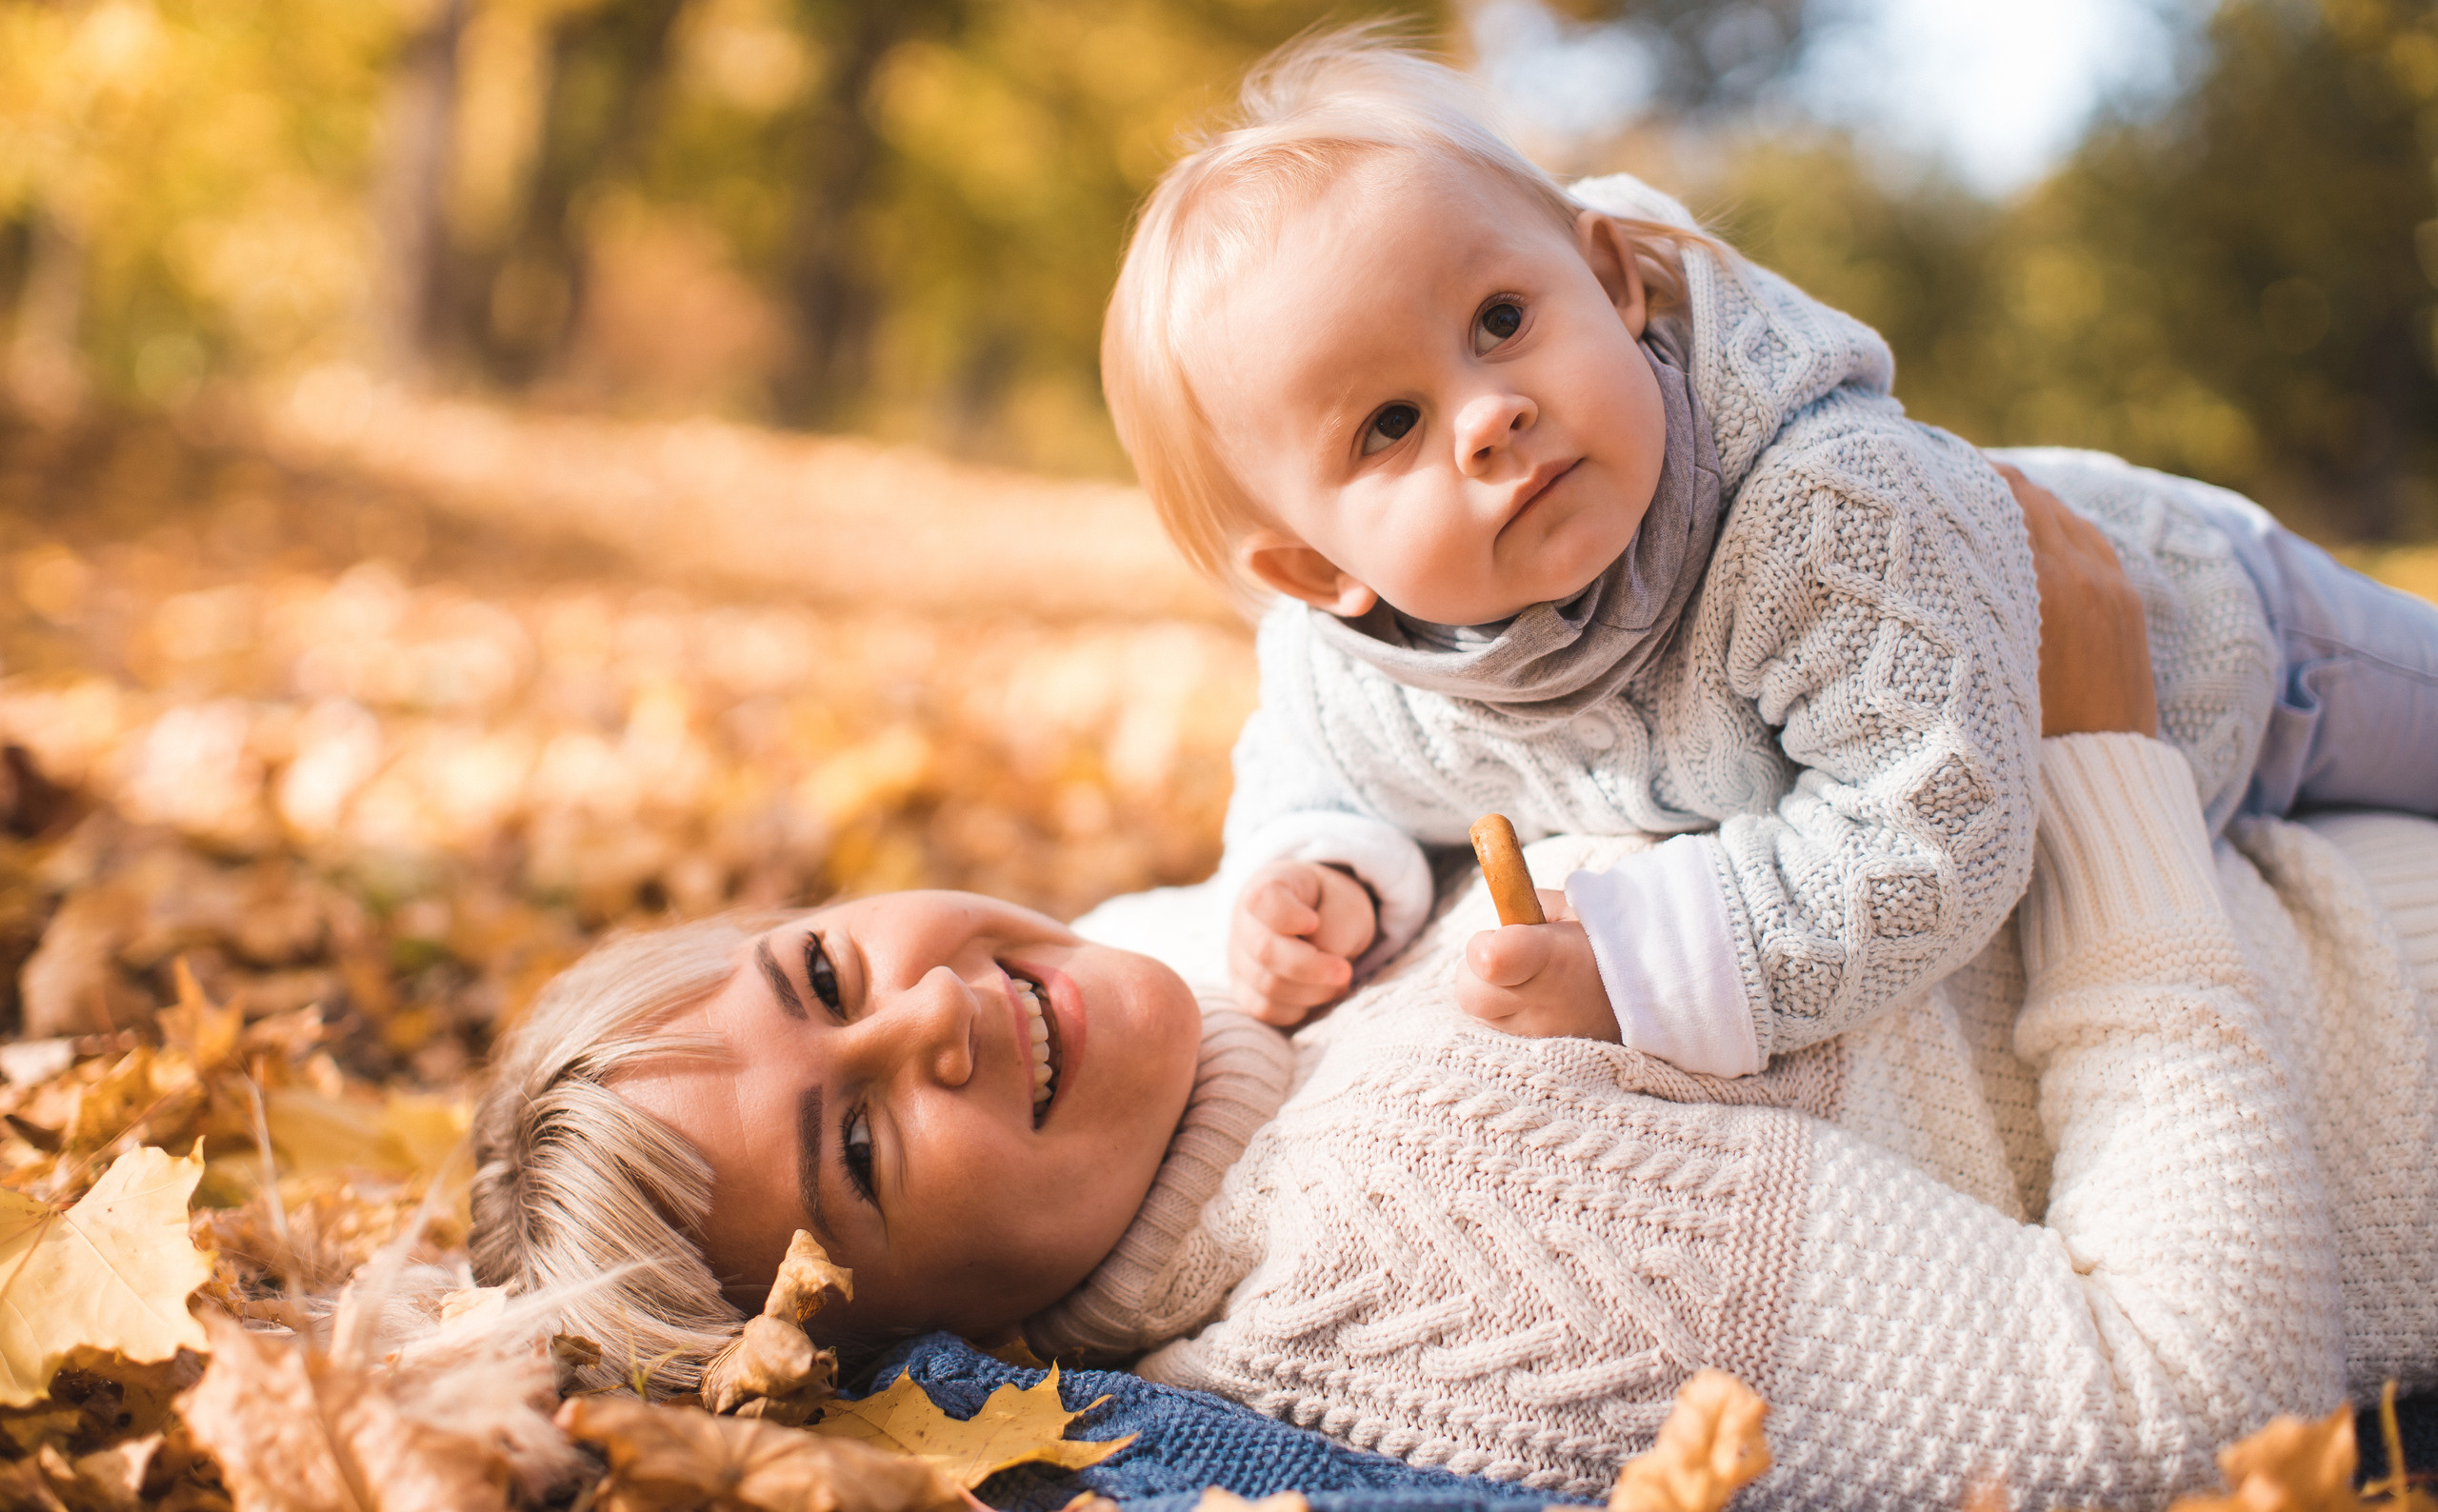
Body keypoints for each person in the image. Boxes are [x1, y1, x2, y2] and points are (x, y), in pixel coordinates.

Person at [467, 481, 2438, 1508]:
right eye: (863, 1139)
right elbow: (2175, 1401)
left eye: (824, 967)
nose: (930, 1015)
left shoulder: (1171, 984)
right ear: (908, 1333)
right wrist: (2094, 764)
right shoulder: (1412, 1238)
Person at [1097, 28, 2438, 1074]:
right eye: (1390, 423)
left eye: (1502, 318)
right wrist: (1317, 874)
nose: (1490, 413)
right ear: (1321, 575)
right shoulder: (1362, 672)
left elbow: (1935, 823)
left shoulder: (1820, 511)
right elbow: (1315, 765)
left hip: (2237, 647)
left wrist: (1644, 970)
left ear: (1613, 283)